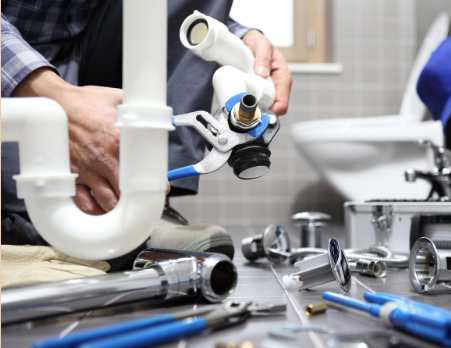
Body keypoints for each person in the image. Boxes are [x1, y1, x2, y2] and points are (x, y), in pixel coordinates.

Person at [1, 0, 292, 263]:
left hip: (83, 51)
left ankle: (146, 205)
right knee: (48, 215)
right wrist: (48, 95)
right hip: (12, 70)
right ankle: (34, 216)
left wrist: (234, 38)